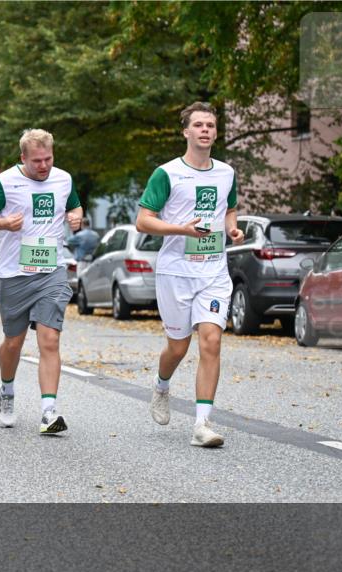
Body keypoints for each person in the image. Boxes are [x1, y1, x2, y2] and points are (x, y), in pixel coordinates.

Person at [136, 101, 244, 447]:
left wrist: (232, 229)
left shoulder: (226, 173)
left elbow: (230, 207)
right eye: (198, 125)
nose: (205, 131)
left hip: (213, 271)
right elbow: (144, 220)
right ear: (186, 131)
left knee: (211, 340)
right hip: (175, 273)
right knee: (178, 347)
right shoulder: (166, 174)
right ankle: (161, 385)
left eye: (210, 125)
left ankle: (202, 424)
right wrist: (181, 230)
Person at [0, 128, 83, 434]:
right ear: (23, 158)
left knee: (50, 338)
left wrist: (76, 215)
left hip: (52, 271)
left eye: (48, 159)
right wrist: (3, 222)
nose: (43, 166)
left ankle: (48, 411)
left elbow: (74, 205)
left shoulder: (64, 179)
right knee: (13, 341)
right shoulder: (5, 182)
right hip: (14, 275)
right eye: (36, 161)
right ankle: (7, 391)